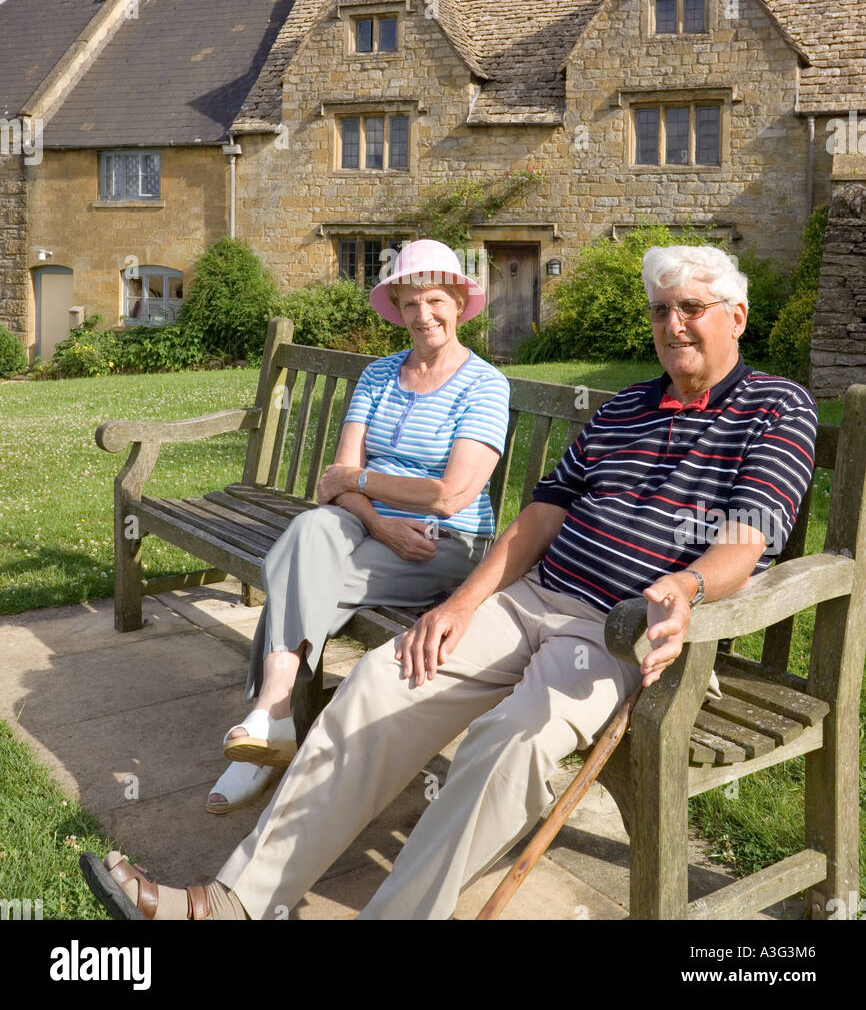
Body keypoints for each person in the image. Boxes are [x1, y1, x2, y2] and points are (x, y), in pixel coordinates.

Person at [81, 244, 818, 920]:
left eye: (691, 308)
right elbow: (540, 516)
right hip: (529, 599)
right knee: (379, 680)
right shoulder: (624, 406)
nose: (673, 325)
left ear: (737, 316)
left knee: (509, 743)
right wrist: (465, 603)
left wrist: (682, 589)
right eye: (661, 310)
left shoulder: (777, 407)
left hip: (624, 629)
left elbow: (749, 538)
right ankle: (233, 902)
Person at [206, 239, 510, 813]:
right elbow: (334, 486)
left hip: (442, 545)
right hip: (370, 528)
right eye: (411, 303)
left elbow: (448, 496)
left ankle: (265, 729)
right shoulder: (377, 376)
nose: (424, 316)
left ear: (459, 303)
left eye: (436, 300)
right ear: (396, 306)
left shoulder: (485, 384)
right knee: (310, 533)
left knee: (298, 573)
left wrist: (363, 484)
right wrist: (378, 518)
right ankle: (274, 712)